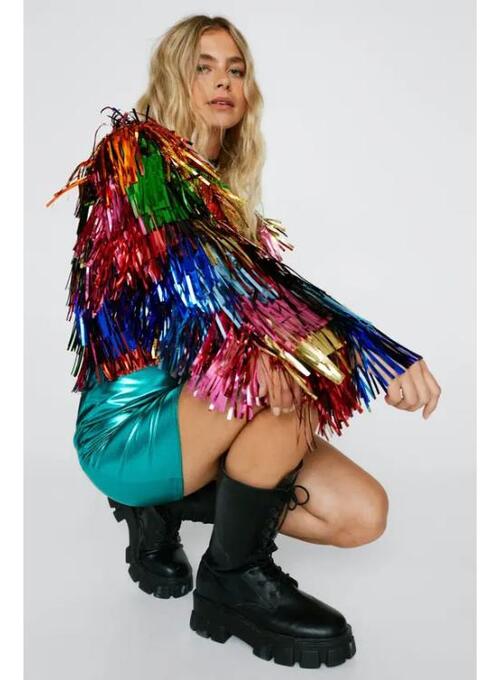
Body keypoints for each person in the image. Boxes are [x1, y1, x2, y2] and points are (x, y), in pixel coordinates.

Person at [47, 14, 441, 669]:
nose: (223, 82)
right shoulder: (134, 156)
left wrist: (343, 345)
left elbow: (264, 292)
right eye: (204, 67)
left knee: (360, 514)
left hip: (202, 413)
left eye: (235, 69)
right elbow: (205, 280)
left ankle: (163, 510)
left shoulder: (222, 190)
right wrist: (370, 350)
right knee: (291, 369)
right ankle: (232, 581)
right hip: (130, 425)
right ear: (173, 78)